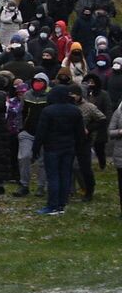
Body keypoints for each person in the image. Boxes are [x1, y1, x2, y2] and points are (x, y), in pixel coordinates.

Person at [34, 86, 87, 216]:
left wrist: (36, 147)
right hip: (69, 147)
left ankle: (52, 205)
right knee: (65, 176)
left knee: (53, 176)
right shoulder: (75, 111)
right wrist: (79, 148)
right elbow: (80, 133)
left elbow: (41, 131)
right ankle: (62, 204)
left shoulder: (48, 111)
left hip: (52, 147)